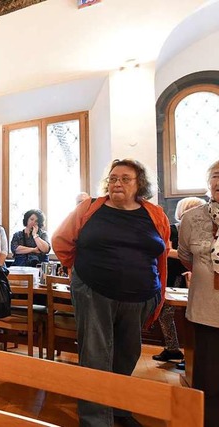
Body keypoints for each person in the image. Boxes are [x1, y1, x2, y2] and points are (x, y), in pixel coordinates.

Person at [53, 158, 169, 427]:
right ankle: (96, 420)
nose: (117, 183)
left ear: (140, 183)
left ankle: (119, 409)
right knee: (95, 355)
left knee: (127, 354)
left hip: (140, 296)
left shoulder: (154, 214)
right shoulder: (90, 207)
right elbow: (61, 241)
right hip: (95, 292)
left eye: (125, 178)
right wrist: (77, 271)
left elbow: (161, 250)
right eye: (113, 178)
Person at [178, 159, 219, 427]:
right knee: (209, 379)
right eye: (215, 176)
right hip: (206, 309)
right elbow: (184, 256)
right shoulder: (192, 218)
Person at [152, 197, 204, 366]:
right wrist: (189, 256)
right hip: (174, 274)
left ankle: (191, 355)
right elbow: (166, 251)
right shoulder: (173, 229)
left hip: (194, 275)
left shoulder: (204, 232)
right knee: (165, 312)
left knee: (193, 314)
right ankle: (172, 347)